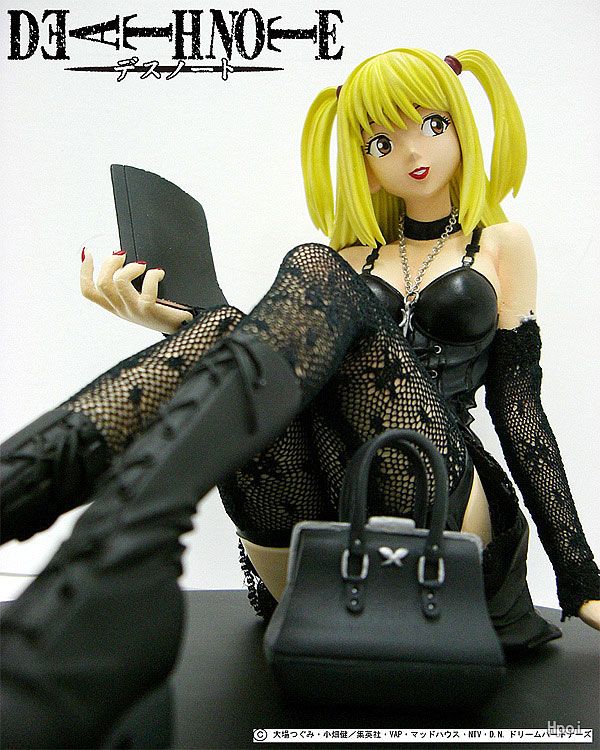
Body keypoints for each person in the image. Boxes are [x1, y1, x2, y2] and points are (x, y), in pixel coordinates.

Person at [1, 47, 599, 748]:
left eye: (433, 124)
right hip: (313, 535)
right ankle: (48, 500)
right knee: (230, 324)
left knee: (303, 272)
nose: (413, 152)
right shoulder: (349, 259)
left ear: (463, 123)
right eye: (382, 141)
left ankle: (72, 519)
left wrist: (581, 576)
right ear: (361, 161)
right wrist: (175, 327)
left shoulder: (499, 244)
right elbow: (273, 377)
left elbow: (519, 411)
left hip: (436, 495)